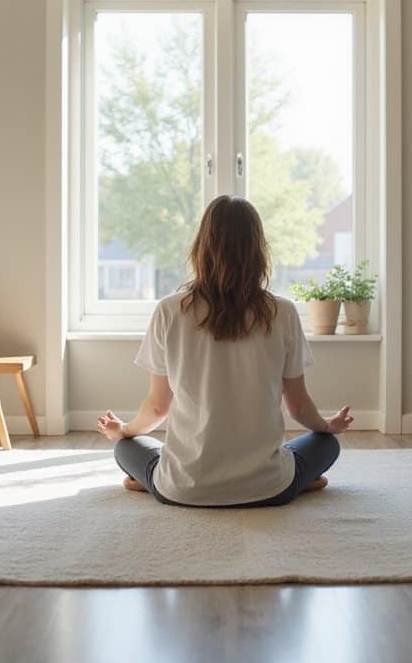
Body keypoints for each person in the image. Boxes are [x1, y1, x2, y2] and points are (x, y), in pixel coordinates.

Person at [95, 195, 353, 507]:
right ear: (258, 251)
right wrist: (328, 426)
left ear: (201, 247)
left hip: (183, 489)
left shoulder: (168, 310)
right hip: (270, 487)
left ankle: (148, 480)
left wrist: (123, 430)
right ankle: (301, 480)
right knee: (326, 445)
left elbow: (157, 409)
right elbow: (297, 406)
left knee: (125, 448)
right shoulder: (282, 312)